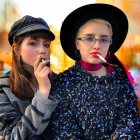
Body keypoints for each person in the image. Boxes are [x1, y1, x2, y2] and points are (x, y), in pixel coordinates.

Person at [49, 3, 140, 139]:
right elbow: (64, 132)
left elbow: (130, 124)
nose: (97, 45)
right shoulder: (63, 83)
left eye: (104, 39)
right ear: (77, 43)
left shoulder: (120, 79)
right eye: (89, 38)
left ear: (110, 43)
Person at [0, 15, 57, 140]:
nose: (42, 50)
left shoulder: (61, 81)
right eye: (33, 43)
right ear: (16, 49)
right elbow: (14, 136)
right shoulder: (3, 88)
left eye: (46, 44)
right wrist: (43, 92)